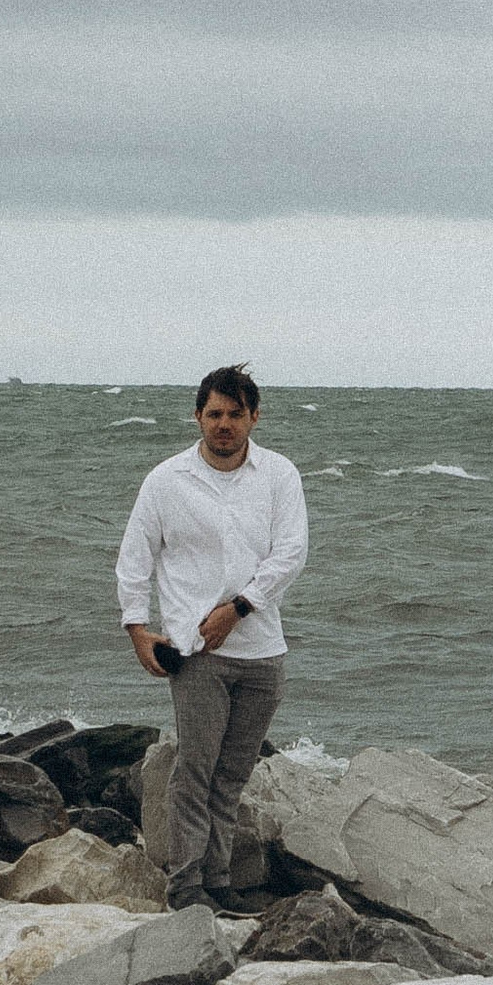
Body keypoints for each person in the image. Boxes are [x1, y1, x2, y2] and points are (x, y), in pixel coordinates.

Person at [115, 366, 309, 911]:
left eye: (235, 414)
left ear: (254, 417)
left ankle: (219, 885)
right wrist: (137, 630)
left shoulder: (279, 475)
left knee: (231, 778)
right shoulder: (166, 480)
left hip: (263, 652)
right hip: (197, 653)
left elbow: (291, 553)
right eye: (215, 414)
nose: (225, 424)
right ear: (198, 416)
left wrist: (239, 608)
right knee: (194, 774)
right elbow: (135, 559)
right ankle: (186, 889)